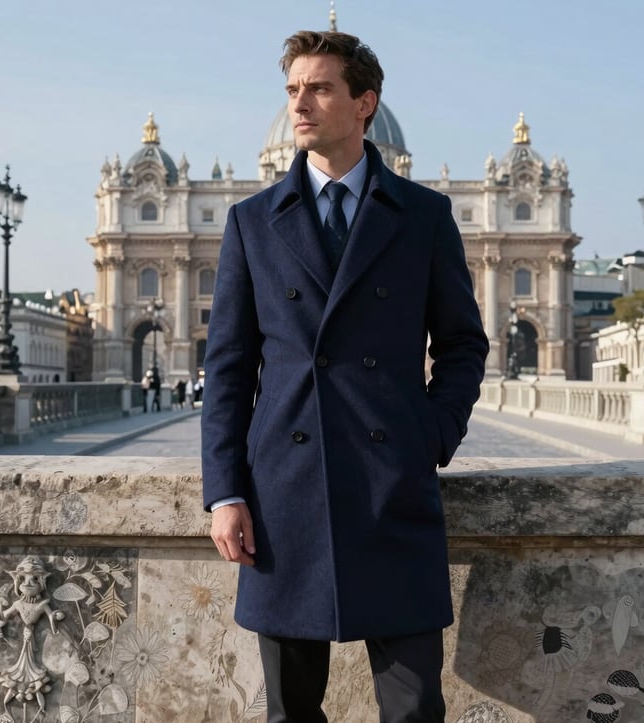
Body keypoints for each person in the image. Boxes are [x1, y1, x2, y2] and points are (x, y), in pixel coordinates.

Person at [201, 29, 488, 723]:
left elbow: (462, 344)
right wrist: (225, 490)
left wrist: (431, 434)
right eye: (293, 89)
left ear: (365, 103)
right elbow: (229, 369)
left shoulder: (424, 215)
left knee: (414, 709)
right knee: (290, 712)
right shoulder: (251, 222)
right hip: (284, 496)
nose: (300, 103)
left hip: (393, 486)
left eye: (319, 88)